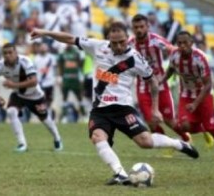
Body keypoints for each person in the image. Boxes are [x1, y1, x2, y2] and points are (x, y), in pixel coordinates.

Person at [30, 23, 199, 185]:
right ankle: (120, 173)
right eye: (114, 42)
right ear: (109, 40)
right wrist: (45, 33)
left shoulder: (134, 58)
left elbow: (153, 82)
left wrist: (155, 109)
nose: (118, 46)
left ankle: (178, 144)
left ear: (128, 39)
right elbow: (69, 39)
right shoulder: (98, 46)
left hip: (123, 108)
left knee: (145, 142)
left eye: (122, 42)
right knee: (97, 137)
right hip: (100, 109)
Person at [162, 31, 214, 161]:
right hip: (185, 94)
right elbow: (171, 69)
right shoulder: (174, 55)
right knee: (183, 126)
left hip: (203, 94)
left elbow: (208, 84)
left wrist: (195, 104)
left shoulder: (200, 58)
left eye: (185, 42)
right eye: (179, 43)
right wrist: (161, 80)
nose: (182, 45)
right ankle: (203, 130)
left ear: (191, 43)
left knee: (210, 126)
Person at [0, 43, 63, 152]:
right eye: (5, 53)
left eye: (10, 52)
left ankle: (57, 138)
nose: (8, 55)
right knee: (11, 112)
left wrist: (13, 85)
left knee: (45, 119)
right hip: (18, 94)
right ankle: (22, 144)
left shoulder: (25, 61)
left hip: (34, 95)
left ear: (16, 53)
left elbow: (34, 81)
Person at [129, 14, 190, 144]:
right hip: (142, 87)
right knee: (151, 122)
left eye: (141, 27)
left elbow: (172, 50)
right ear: (132, 28)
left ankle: (186, 139)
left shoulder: (156, 40)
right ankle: (169, 144)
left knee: (169, 120)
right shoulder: (130, 43)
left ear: (148, 27)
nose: (139, 30)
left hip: (161, 85)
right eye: (136, 27)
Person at [57, 45, 85, 122]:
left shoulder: (76, 53)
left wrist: (81, 76)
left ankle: (83, 116)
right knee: (64, 98)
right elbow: (60, 66)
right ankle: (64, 117)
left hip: (75, 78)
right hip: (66, 79)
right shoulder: (62, 54)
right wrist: (59, 77)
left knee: (80, 97)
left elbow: (80, 65)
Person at [33, 43, 56, 117]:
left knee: (49, 99)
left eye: (44, 47)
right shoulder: (36, 58)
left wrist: (57, 77)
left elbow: (55, 68)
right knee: (41, 99)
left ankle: (48, 111)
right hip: (40, 82)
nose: (43, 49)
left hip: (50, 82)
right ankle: (42, 113)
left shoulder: (51, 58)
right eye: (41, 47)